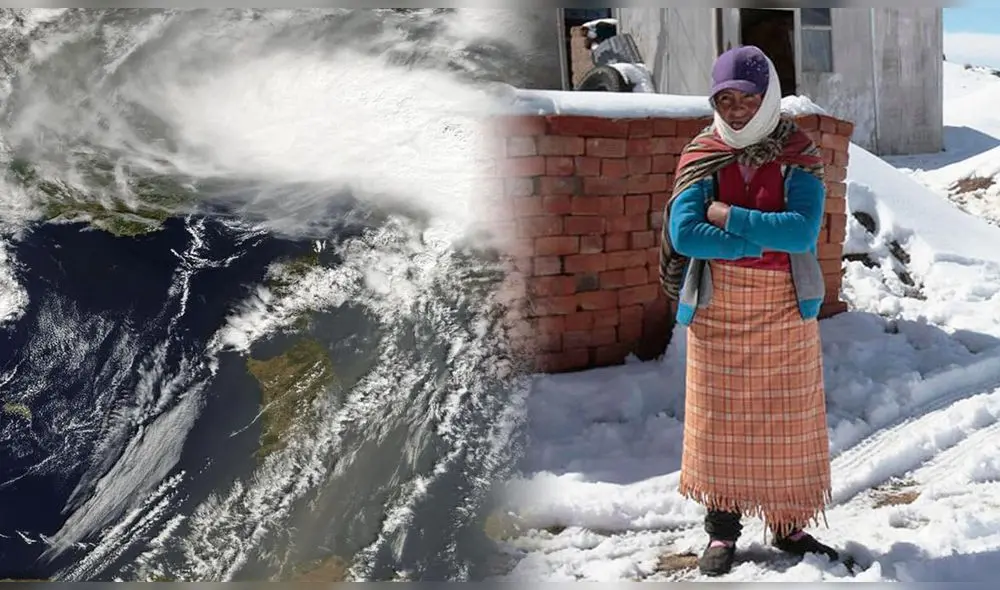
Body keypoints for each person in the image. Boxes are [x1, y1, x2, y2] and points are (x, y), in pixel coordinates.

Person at [661, 45, 839, 577]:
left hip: (785, 307)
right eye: (725, 98)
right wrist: (754, 243)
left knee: (788, 420)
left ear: (769, 99)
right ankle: (721, 530)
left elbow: (802, 231)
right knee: (720, 422)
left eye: (748, 98)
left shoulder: (798, 150)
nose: (736, 108)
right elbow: (686, 233)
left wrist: (727, 214)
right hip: (718, 309)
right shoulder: (702, 152)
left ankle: (788, 525)